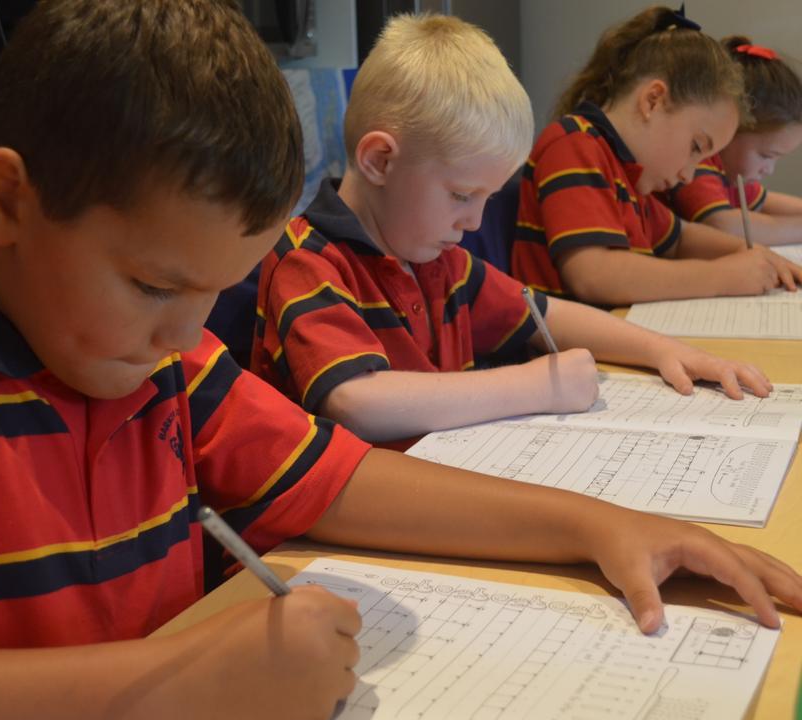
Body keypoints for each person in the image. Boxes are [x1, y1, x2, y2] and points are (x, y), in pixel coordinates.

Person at [0, 2, 798, 720]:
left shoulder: (156, 354)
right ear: (5, 197)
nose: (186, 330)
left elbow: (343, 480)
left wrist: (594, 524)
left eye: (212, 293)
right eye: (152, 284)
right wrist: (187, 693)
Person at [250, 13, 770, 445]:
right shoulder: (308, 260)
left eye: (486, 199)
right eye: (460, 195)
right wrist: (537, 386)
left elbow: (543, 312)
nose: (474, 221)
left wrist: (666, 351)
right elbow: (356, 401)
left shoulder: (440, 260)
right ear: (381, 161)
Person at [510, 5, 802, 306]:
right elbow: (594, 275)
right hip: (573, 349)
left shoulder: (630, 172)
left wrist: (751, 255)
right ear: (653, 101)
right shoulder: (574, 144)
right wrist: (722, 275)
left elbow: (680, 239)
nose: (688, 175)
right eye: (696, 147)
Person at [667, 36, 802, 245]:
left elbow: (765, 201)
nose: (769, 169)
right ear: (731, 127)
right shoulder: (696, 164)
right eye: (766, 156)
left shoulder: (731, 173)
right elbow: (723, 226)